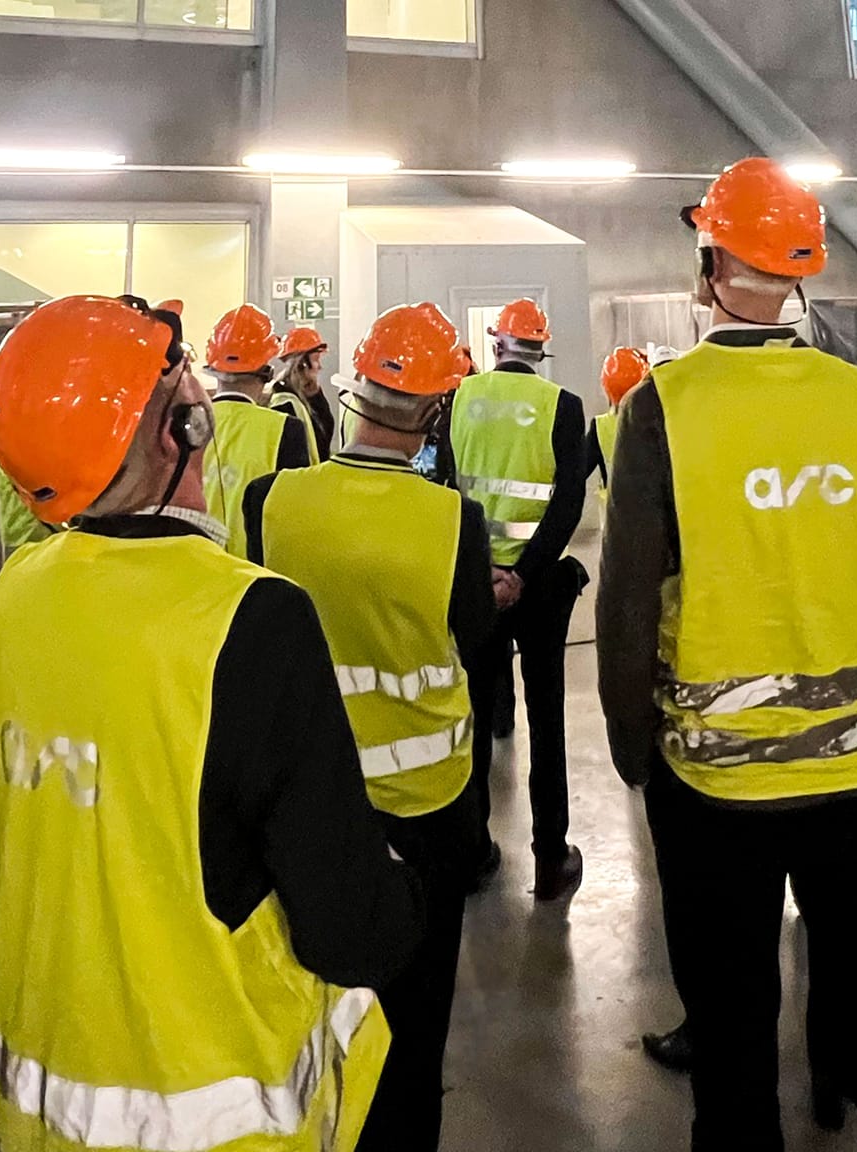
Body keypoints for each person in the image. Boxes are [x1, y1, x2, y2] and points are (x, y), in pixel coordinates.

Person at [0, 294, 419, 1151]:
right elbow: (351, 930)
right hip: (218, 1112)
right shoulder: (250, 621)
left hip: (34, 1112)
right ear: (186, 428)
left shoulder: (14, 599)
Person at [596, 157, 857, 1151]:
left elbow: (626, 606)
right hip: (856, 775)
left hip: (715, 791)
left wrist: (635, 751)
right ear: (795, 273)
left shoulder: (662, 407)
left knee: (733, 1043)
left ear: (710, 264)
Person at [245, 303, 494, 1152]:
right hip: (428, 807)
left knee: (307, 1015)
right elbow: (475, 651)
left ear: (353, 391)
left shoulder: (269, 502)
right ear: (434, 411)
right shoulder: (451, 520)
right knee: (414, 1036)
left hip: (301, 811)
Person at [449, 297, 587, 901]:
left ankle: (473, 850)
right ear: (540, 349)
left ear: (496, 342)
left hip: (477, 586)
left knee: (476, 716)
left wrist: (486, 573)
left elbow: (445, 491)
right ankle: (551, 860)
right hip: (539, 591)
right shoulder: (564, 405)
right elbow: (567, 504)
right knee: (547, 718)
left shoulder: (458, 400)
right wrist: (524, 574)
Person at [201, 303, 314, 559]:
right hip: (256, 578)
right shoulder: (285, 429)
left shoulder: (182, 425)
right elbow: (295, 521)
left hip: (190, 574)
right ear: (266, 371)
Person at [586, 345, 649, 501]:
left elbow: (578, 470)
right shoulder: (659, 421)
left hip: (615, 516)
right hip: (654, 512)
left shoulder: (600, 427)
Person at [274, 325, 336, 462]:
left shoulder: (308, 397)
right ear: (302, 364)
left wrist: (315, 395)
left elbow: (326, 429)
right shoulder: (283, 402)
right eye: (316, 360)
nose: (320, 366)